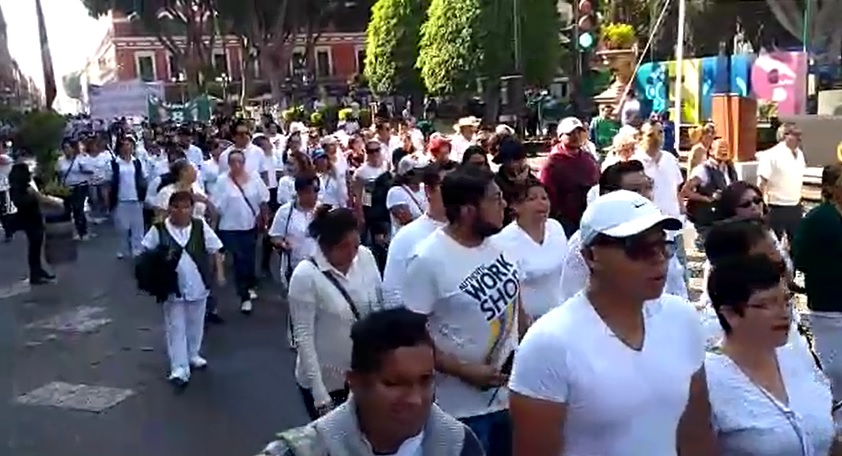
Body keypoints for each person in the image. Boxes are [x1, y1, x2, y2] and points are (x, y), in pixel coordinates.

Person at [509, 190, 714, 456]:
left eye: (664, 245)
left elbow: (696, 432)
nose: (659, 259)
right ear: (591, 256)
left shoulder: (683, 319)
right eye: (638, 249)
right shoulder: (548, 344)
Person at [402, 165, 526, 456]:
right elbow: (410, 336)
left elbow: (517, 305)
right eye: (496, 199)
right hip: (461, 413)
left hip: (511, 398)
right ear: (469, 211)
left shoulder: (499, 244)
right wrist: (463, 370)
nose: (505, 205)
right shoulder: (427, 260)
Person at [256, 308, 484, 456]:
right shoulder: (299, 452)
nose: (416, 399)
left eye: (425, 381)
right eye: (394, 384)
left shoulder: (460, 445)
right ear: (355, 382)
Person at [705, 254, 836, 455]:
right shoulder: (708, 380)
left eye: (786, 301)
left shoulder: (795, 353)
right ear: (730, 314)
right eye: (766, 304)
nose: (783, 313)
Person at [287, 206, 383, 420]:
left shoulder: (365, 257)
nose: (352, 254)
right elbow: (303, 337)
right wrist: (319, 393)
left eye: (355, 246)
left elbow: (378, 304)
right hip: (328, 382)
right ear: (325, 247)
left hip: (363, 373)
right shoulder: (306, 276)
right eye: (343, 247)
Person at [561, 160, 688, 302]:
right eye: (635, 190)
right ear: (607, 194)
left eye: (648, 187)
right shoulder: (585, 241)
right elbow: (572, 295)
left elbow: (676, 281)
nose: (645, 196)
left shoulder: (662, 232)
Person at [140, 191, 224, 387]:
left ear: (191, 209)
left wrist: (219, 274)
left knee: (196, 323)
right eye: (176, 207)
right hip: (171, 287)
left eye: (185, 207)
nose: (181, 211)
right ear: (170, 208)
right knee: (176, 326)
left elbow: (215, 249)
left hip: (198, 283)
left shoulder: (199, 226)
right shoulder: (159, 229)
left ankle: (193, 353)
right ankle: (179, 367)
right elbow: (145, 252)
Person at [793, 163, 842, 404]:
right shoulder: (818, 219)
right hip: (829, 304)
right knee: (834, 368)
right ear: (831, 188)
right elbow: (800, 257)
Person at [491, 178, 567, 319]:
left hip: (561, 312)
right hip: (528, 321)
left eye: (544, 198)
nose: (542, 203)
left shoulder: (556, 227)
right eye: (532, 199)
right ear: (515, 206)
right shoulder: (502, 241)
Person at [211, 149, 270, 314]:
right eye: (233, 162)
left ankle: (249, 284)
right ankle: (243, 295)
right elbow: (216, 204)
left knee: (249, 259)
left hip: (249, 226)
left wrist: (265, 220)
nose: (236, 165)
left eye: (239, 161)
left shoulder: (254, 178)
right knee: (239, 260)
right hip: (229, 227)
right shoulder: (222, 181)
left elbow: (263, 199)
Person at [382, 163, 448, 308]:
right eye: (446, 186)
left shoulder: (469, 229)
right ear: (429, 190)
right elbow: (393, 295)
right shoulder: (407, 238)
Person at [540, 117, 599, 237]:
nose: (576, 136)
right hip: (566, 222)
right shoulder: (552, 163)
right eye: (570, 133)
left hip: (591, 215)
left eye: (579, 132)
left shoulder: (588, 158)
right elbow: (546, 193)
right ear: (560, 136)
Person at [8, 163, 62, 284]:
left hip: (27, 219)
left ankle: (37, 271)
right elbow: (40, 198)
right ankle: (36, 273)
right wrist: (56, 202)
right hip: (33, 219)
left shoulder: (15, 188)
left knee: (34, 248)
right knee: (35, 248)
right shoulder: (26, 189)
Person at [681, 138, 738, 250]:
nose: (724, 151)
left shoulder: (730, 168)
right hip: (707, 216)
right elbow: (685, 191)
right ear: (711, 151)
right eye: (721, 148)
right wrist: (706, 198)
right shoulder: (702, 169)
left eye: (726, 148)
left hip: (725, 215)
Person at [758, 122, 806, 245]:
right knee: (774, 244)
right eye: (796, 134)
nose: (799, 137)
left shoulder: (799, 154)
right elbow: (761, 183)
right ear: (785, 135)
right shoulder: (770, 155)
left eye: (800, 134)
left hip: (795, 206)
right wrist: (761, 207)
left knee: (797, 243)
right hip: (776, 207)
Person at [110, 136, 148, 259]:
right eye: (124, 145)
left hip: (136, 198)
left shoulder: (137, 162)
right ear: (120, 148)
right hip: (121, 198)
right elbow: (109, 181)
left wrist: (144, 194)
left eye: (129, 145)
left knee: (137, 226)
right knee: (122, 227)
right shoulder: (114, 163)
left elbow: (143, 178)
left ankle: (137, 248)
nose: (127, 148)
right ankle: (123, 249)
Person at [57, 138, 94, 240]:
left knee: (78, 209)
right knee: (68, 210)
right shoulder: (60, 160)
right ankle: (73, 231)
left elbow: (91, 171)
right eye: (64, 148)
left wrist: (83, 168)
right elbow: (59, 174)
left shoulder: (80, 159)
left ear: (73, 148)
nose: (67, 150)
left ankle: (83, 231)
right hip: (67, 188)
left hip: (80, 186)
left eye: (68, 148)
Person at [386, 155, 428, 237]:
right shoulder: (396, 193)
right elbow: (406, 221)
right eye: (420, 170)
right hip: (407, 238)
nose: (424, 172)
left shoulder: (424, 188)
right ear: (409, 174)